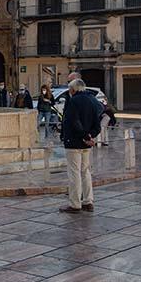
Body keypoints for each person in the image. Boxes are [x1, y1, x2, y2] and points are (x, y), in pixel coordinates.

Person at [60, 79, 100, 213]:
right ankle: (88, 202)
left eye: (70, 89)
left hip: (74, 142)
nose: (69, 92)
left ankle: (75, 204)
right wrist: (90, 136)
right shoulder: (92, 100)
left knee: (74, 173)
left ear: (74, 89)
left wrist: (84, 136)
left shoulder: (73, 101)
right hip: (86, 144)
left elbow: (73, 122)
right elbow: (97, 124)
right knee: (85, 172)